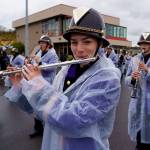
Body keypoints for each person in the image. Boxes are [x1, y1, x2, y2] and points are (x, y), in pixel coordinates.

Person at [5, 7, 121, 150]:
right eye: (74, 42)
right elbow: (47, 112)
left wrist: (38, 85)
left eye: (87, 42)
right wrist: (22, 86)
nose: (79, 49)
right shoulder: (66, 70)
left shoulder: (108, 79)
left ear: (100, 44)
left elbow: (72, 120)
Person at [125, 32, 150, 150]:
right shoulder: (135, 59)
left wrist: (147, 70)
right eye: (141, 43)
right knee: (140, 137)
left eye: (146, 43)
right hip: (138, 103)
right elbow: (126, 79)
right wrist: (132, 78)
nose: (143, 46)